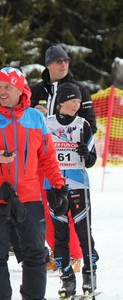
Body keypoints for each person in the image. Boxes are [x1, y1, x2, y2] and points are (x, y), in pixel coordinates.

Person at [0, 67, 68, 300]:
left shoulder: (35, 118)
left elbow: (48, 156)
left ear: (20, 89)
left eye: (7, 87)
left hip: (29, 197)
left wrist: (59, 185)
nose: (1, 91)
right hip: (0, 197)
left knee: (36, 255)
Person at [30, 44, 96, 272]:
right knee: (47, 208)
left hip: (70, 162)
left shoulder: (79, 89)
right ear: (48, 64)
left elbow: (90, 123)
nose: (63, 64)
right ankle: (57, 253)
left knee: (72, 211)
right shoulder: (35, 91)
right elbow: (22, 120)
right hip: (41, 159)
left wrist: (83, 147)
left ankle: (77, 256)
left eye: (66, 60)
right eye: (58, 61)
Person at [44, 82, 99, 298]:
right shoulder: (46, 124)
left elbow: (93, 159)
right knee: (60, 235)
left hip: (78, 185)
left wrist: (86, 153)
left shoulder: (83, 125)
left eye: (78, 100)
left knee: (84, 232)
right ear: (61, 102)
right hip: (54, 185)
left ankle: (89, 273)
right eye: (72, 100)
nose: (77, 104)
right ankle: (66, 278)